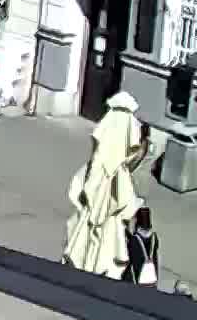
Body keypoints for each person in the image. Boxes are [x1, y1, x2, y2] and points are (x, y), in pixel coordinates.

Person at [64, 92, 144, 278]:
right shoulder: (120, 172)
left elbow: (97, 154)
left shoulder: (105, 137)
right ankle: (100, 268)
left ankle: (86, 263)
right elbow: (131, 157)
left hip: (99, 183)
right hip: (111, 188)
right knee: (109, 228)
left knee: (90, 224)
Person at [123, 207, 161, 286]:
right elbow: (155, 257)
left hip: (137, 278)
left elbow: (132, 259)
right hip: (151, 277)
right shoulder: (154, 236)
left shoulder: (134, 239)